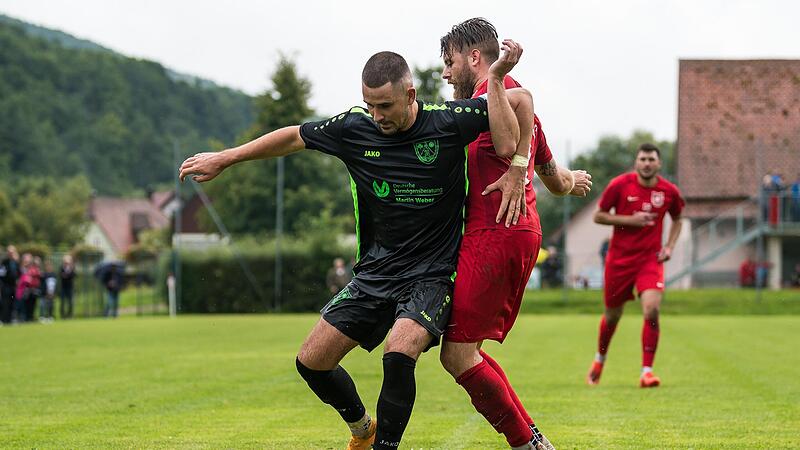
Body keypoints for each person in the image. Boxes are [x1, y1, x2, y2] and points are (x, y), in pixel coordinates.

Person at [179, 46, 532, 449]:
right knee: (311, 363)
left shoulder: (447, 122)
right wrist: (226, 158)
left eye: (385, 105)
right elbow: (293, 136)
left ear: (411, 95)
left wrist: (518, 168)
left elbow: (520, 101)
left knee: (399, 352)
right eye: (370, 105)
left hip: (433, 275)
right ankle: (364, 429)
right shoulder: (353, 128)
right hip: (375, 274)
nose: (377, 116)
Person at [437, 18, 592, 450]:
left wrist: (518, 164)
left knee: (457, 355)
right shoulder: (512, 104)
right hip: (515, 231)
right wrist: (571, 179)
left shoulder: (494, 95)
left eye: (449, 63)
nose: (446, 74)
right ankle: (532, 439)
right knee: (467, 352)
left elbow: (509, 143)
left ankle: (525, 443)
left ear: (474, 58)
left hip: (495, 233)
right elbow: (557, 183)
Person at [587, 143, 684, 388]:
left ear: (659, 163)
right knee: (612, 316)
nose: (647, 163)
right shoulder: (619, 185)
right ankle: (599, 360)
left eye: (652, 159)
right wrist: (631, 220)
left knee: (651, 310)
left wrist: (670, 246)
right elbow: (599, 216)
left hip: (650, 260)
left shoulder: (669, 191)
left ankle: (647, 372)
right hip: (619, 261)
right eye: (643, 159)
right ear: (636, 162)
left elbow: (678, 218)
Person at [0, 245, 20, 324]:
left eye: (12, 252)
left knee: (13, 303)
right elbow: (2, 274)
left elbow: (18, 273)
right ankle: (4, 319)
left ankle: (11, 319)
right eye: (9, 252)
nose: (11, 254)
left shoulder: (16, 262)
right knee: (5, 303)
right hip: (6, 286)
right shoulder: (4, 262)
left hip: (13, 286)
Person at [59, 254, 76, 319]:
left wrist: (67, 274)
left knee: (70, 302)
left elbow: (73, 275)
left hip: (70, 287)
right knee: (62, 302)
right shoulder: (61, 267)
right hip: (63, 287)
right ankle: (63, 315)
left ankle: (70, 315)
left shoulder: (72, 268)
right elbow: (61, 276)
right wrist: (67, 275)